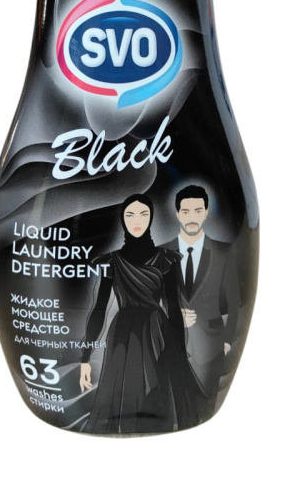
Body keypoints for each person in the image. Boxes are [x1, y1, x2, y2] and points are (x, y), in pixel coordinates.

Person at [79, 194, 207, 434]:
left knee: (159, 396)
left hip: (158, 334)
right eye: (130, 215)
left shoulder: (166, 259)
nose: (136, 221)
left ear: (151, 218)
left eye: (143, 214)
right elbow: (99, 309)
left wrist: (179, 353)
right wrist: (85, 358)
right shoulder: (112, 262)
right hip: (123, 339)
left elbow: (172, 306)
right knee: (126, 395)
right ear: (122, 220)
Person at [162, 184, 240, 413]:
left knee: (204, 407)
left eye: (197, 211)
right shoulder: (161, 253)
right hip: (171, 344)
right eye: (186, 211)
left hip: (211, 346)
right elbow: (149, 298)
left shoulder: (223, 251)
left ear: (206, 212)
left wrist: (227, 340)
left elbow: (234, 302)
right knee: (176, 410)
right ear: (177, 214)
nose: (192, 217)